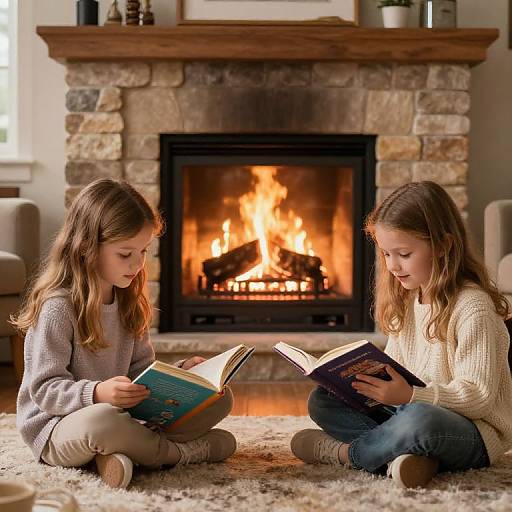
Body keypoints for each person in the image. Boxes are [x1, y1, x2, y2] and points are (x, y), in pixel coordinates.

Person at [12, 179, 236, 489]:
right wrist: (97, 393)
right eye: (125, 253)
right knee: (102, 421)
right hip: (58, 427)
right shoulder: (57, 307)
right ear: (87, 248)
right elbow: (44, 390)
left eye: (143, 251)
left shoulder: (129, 300)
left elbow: (139, 373)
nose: (137, 263)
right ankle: (176, 454)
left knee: (220, 398)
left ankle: (120, 455)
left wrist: (183, 373)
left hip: (122, 417)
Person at [290, 181, 512, 488]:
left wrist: (410, 396)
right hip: (408, 412)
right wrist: (357, 382)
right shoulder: (409, 299)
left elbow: (480, 398)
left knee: (421, 420)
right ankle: (407, 458)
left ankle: (347, 454)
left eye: (404, 254)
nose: (393, 266)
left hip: (470, 432)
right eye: (386, 254)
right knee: (323, 401)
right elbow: (396, 369)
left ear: (443, 245)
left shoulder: (473, 307)